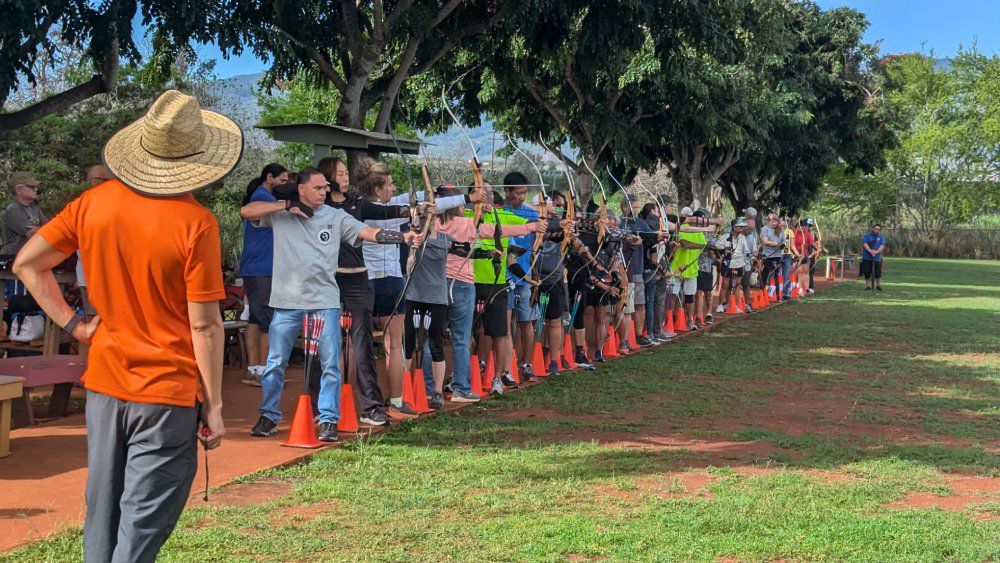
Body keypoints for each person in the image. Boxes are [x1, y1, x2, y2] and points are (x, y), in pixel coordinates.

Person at [15, 90, 233, 561]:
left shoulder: (93, 203)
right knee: (143, 520)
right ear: (199, 160)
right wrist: (214, 405)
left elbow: (28, 265)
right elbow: (206, 327)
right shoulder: (197, 222)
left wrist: (74, 324)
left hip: (106, 382)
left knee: (103, 510)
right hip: (166, 391)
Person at [241, 167, 416, 443]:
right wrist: (286, 205)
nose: (324, 193)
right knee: (275, 363)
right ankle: (269, 415)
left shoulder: (335, 216)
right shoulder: (282, 214)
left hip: (324, 300)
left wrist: (400, 237)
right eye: (318, 188)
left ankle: (328, 419)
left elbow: (367, 231)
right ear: (301, 189)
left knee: (331, 363)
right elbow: (247, 211)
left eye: (325, 188)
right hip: (286, 302)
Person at [239, 163, 288, 386]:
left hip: (256, 268)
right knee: (267, 320)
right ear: (269, 178)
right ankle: (267, 372)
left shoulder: (262, 197)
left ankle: (254, 369)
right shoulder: (266, 199)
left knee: (255, 318)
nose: (284, 186)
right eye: (283, 181)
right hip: (261, 268)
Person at [2, 171, 48, 255]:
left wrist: (40, 228)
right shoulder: (13, 209)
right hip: (12, 258)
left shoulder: (34, 206)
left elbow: (49, 227)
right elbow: (34, 235)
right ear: (18, 190)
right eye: (31, 186)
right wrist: (43, 228)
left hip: (27, 256)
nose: (36, 189)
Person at [758, 213, 785, 299]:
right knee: (765, 274)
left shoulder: (781, 230)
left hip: (777, 255)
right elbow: (765, 241)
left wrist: (783, 244)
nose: (773, 224)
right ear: (768, 221)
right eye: (772, 222)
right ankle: (762, 293)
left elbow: (784, 241)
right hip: (767, 255)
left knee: (776, 274)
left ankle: (777, 295)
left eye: (775, 222)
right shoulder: (764, 229)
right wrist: (777, 243)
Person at [861, 224, 886, 291]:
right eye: (876, 229)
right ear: (872, 228)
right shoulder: (867, 236)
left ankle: (878, 285)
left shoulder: (881, 237)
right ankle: (868, 286)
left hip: (877, 257)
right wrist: (870, 251)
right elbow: (865, 244)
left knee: (878, 272)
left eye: (878, 229)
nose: (877, 230)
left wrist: (876, 252)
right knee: (867, 272)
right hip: (867, 257)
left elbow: (882, 246)